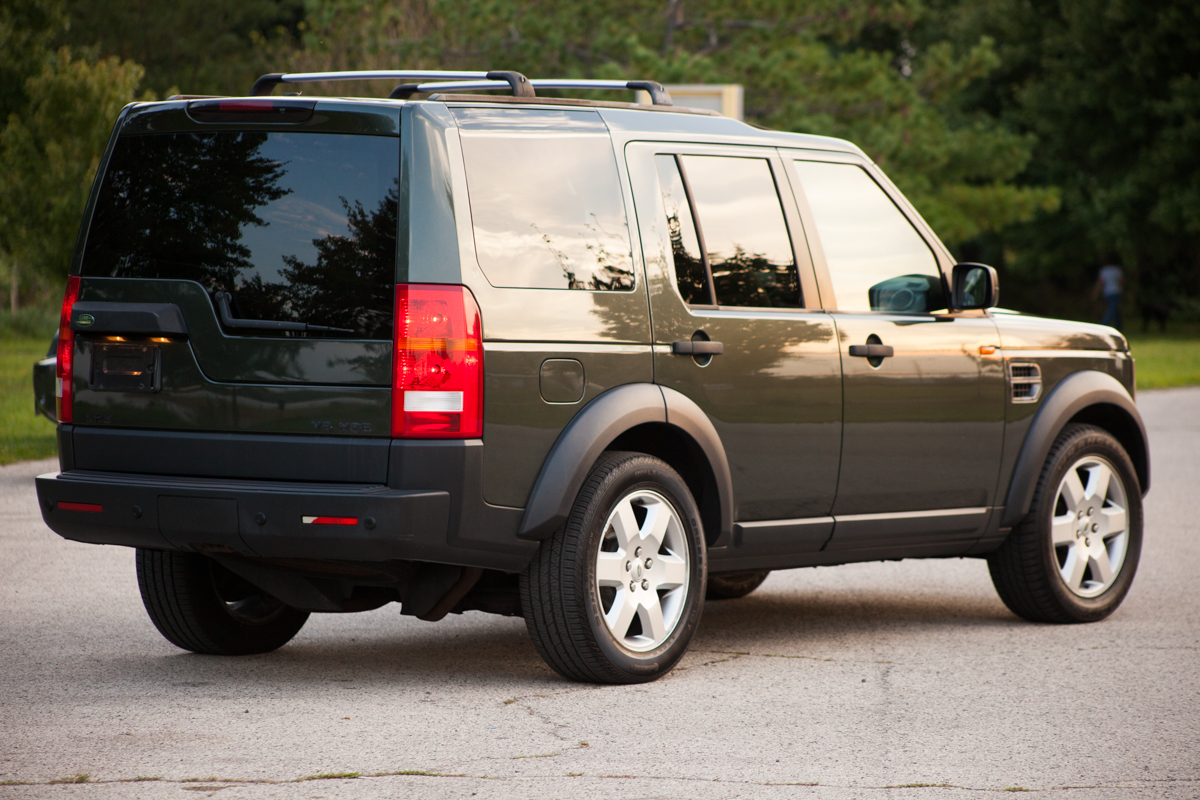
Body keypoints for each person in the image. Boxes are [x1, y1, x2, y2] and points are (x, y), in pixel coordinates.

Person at [1093, 262, 1124, 330]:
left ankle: (1119, 326)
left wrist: (1096, 292)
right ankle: (1103, 324)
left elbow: (1100, 282)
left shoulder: (1104, 270)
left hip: (1107, 292)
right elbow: (1121, 281)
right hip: (1116, 291)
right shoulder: (1117, 270)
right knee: (1112, 309)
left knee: (1114, 309)